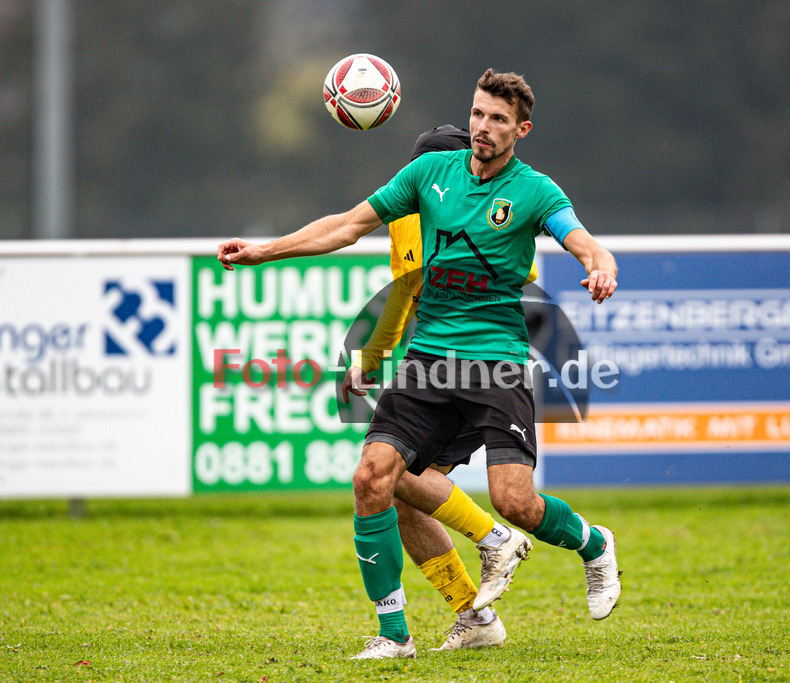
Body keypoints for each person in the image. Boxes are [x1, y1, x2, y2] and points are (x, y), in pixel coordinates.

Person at [218, 68, 621, 661]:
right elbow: (346, 226)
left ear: (521, 130)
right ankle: (394, 635)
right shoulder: (428, 173)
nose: (484, 128)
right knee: (373, 478)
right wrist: (265, 251)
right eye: (479, 114)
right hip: (428, 361)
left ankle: (591, 544)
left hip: (497, 362)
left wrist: (600, 264)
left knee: (516, 502)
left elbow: (583, 239)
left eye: (499, 120)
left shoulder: (535, 191)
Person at [340, 124, 541, 652]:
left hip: (472, 371)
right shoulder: (450, 204)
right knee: (398, 494)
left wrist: (374, 355)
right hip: (447, 367)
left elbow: (412, 285)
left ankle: (495, 538)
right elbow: (412, 287)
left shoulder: (429, 211)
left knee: (396, 478)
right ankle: (474, 616)